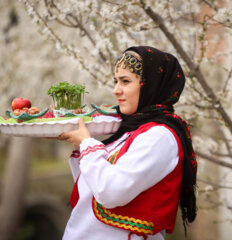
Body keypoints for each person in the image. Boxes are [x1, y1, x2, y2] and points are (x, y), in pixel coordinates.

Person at [59, 46, 197, 240]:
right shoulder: (130, 129)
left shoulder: (159, 137)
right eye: (116, 81)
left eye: (125, 81)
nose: (116, 90)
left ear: (151, 85)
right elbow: (91, 186)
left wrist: (87, 144)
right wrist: (78, 142)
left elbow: (110, 191)